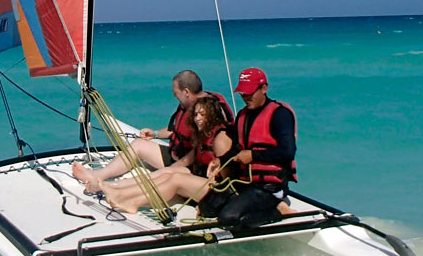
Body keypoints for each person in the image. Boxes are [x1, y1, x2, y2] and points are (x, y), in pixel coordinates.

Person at [72, 70, 232, 192]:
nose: (174, 95)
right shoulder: (188, 105)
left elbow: (209, 145)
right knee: (139, 145)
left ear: (187, 92)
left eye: (176, 93)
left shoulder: (209, 111)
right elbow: (175, 131)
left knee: (161, 175)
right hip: (176, 155)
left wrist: (175, 167)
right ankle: (98, 175)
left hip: (192, 165)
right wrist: (155, 134)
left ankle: (109, 187)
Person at [98, 95, 238, 214]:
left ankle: (133, 203)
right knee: (170, 172)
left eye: (202, 114)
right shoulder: (204, 135)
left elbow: (229, 177)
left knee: (176, 179)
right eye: (195, 114)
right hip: (201, 180)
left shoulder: (220, 139)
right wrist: (168, 170)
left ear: (212, 116)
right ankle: (117, 188)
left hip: (218, 191)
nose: (197, 119)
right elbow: (188, 160)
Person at [216, 67, 297, 227]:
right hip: (246, 183)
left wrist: (253, 156)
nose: (246, 98)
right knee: (207, 208)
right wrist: (221, 160)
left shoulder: (280, 114)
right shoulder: (242, 115)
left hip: (269, 188)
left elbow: (288, 152)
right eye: (243, 94)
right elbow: (239, 148)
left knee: (228, 218)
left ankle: (278, 211)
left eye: (250, 93)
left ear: (264, 89)